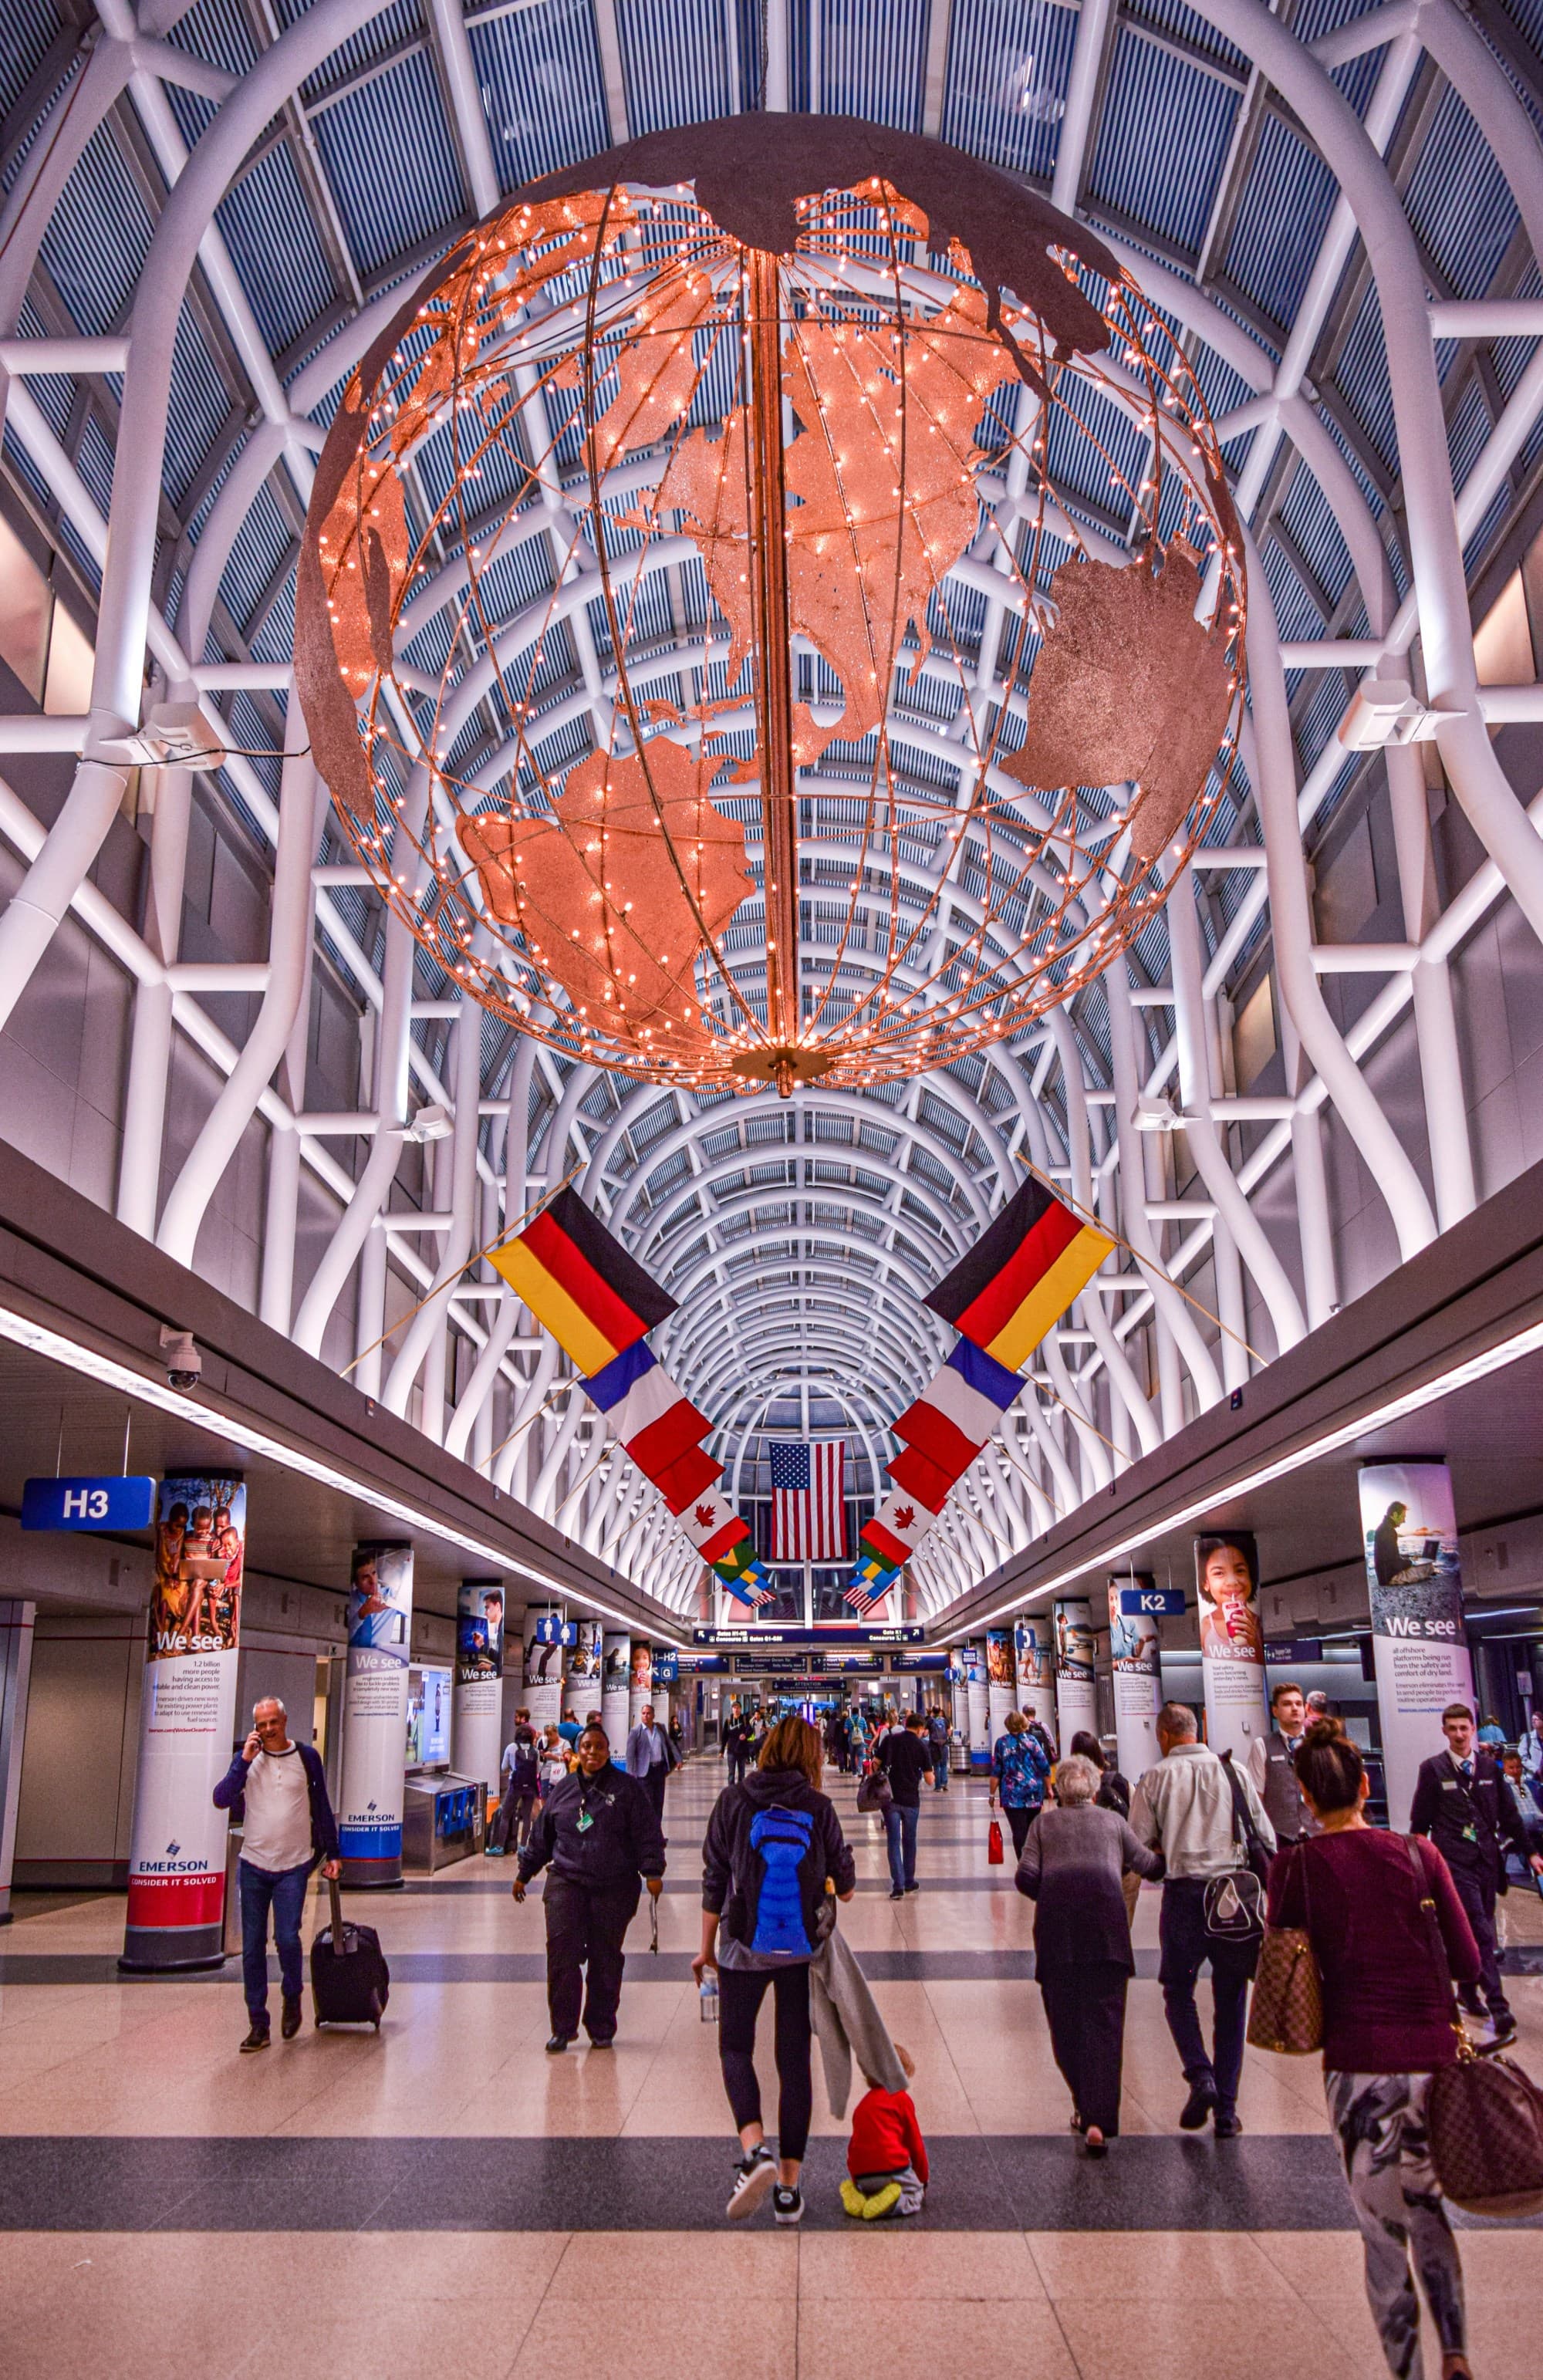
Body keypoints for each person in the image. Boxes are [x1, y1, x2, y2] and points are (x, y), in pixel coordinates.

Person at [1268, 1719, 1480, 2380]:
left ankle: (1409, 2369)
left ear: (1305, 1794)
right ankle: (1456, 2352)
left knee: (1381, 2232)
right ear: (1366, 1784)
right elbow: (1469, 1960)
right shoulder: (1422, 1854)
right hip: (1436, 2059)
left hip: (1359, 2065)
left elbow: (1281, 1961)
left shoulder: (1296, 1866)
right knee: (1429, 2210)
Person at [696, 1713, 856, 2226]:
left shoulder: (733, 1801)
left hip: (743, 1945)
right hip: (801, 1949)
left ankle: (754, 2149)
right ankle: (788, 2188)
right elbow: (847, 1885)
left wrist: (705, 1950)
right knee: (793, 2060)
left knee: (735, 2047)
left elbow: (714, 1880)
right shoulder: (819, 1805)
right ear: (813, 1756)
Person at [1130, 1700, 1276, 2135]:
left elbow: (1137, 1845)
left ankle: (1201, 2074)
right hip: (1233, 1899)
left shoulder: (1155, 1778)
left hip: (1184, 1896)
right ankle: (1227, 2111)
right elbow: (1265, 1836)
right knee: (1231, 2000)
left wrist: (1164, 1852)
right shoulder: (1235, 1773)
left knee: (1178, 1990)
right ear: (1198, 1729)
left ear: (1164, 1736)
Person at [1016, 1752, 1163, 2154]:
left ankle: (1083, 2103)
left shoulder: (1043, 1825)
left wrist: (1052, 1896)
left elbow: (1026, 1877)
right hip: (1107, 1933)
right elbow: (1148, 1864)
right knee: (1105, 2024)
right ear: (1095, 1789)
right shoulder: (1114, 1823)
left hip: (1057, 1935)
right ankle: (1100, 2119)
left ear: (1058, 1790)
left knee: (1064, 2022)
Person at [513, 1723, 663, 2051]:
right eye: (586, 1747)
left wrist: (652, 1871)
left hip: (614, 1886)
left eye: (599, 1747)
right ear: (578, 1752)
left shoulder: (627, 1790)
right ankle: (562, 2028)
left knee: (605, 1957)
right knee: (562, 1955)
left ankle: (601, 2027)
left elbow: (647, 1833)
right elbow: (542, 1836)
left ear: (608, 1752)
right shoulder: (565, 1790)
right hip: (567, 1881)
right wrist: (525, 1873)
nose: (592, 1753)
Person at [1409, 1700, 1541, 2049]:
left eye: (1464, 1728)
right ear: (1444, 1731)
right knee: (1483, 1933)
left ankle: (1467, 1990)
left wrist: (1531, 1853)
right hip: (1453, 1863)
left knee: (1474, 1928)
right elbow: (1420, 1823)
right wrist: (1418, 1862)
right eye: (1452, 1729)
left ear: (1473, 1729)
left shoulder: (1488, 1768)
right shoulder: (1433, 1770)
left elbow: (1510, 1816)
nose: (1458, 1734)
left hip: (1487, 1861)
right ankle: (1499, 2007)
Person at [212, 1696, 341, 2054]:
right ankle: (258, 2022)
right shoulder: (246, 1760)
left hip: (294, 1865)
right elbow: (221, 1798)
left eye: (273, 1722)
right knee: (252, 1946)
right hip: (254, 1864)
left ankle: (292, 1995)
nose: (268, 1729)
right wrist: (244, 1761)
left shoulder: (306, 1757)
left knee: (287, 1937)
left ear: (285, 1720)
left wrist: (334, 1853)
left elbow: (322, 1806)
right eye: (261, 1723)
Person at [840, 2042, 928, 2219]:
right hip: (892, 2170)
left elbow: (854, 2146)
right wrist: (922, 2178)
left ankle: (858, 2194)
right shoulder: (901, 2100)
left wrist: (857, 2177)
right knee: (916, 2193)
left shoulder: (862, 2105)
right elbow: (915, 2144)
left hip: (863, 2177)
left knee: (874, 2189)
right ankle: (895, 2202)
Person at [1248, 1680, 1319, 1847]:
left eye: (1298, 1704)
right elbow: (1256, 1798)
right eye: (1287, 1704)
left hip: (1317, 1834)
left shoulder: (1319, 1743)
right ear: (1275, 1711)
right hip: (1279, 1836)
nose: (1294, 1708)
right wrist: (1265, 1837)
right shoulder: (1262, 1745)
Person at [878, 1711, 930, 1899]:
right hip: (911, 1801)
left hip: (890, 1798)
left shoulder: (890, 1740)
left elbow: (876, 1763)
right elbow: (930, 1779)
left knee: (893, 1841)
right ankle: (909, 1881)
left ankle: (898, 1886)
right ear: (919, 1728)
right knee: (910, 1840)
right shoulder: (922, 1746)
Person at [989, 1710, 1051, 1858]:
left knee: (1018, 1832)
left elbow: (996, 1771)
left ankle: (1023, 1864)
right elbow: (1045, 1766)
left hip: (1012, 1796)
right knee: (1032, 1831)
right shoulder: (1032, 1741)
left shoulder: (1002, 1743)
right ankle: (1034, 1861)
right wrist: (1049, 1788)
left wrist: (992, 1794)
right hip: (1033, 1793)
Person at [491, 1712, 540, 1854]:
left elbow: (503, 1767)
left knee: (506, 1815)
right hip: (530, 1787)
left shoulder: (512, 1748)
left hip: (515, 1785)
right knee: (526, 1818)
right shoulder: (535, 1750)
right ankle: (523, 1847)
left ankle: (500, 1846)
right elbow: (537, 1770)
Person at [626, 1702, 677, 1826]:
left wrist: (678, 1759)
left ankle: (657, 1833)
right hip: (644, 1773)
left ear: (653, 1715)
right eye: (643, 1713)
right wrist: (630, 1775)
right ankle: (648, 1833)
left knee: (658, 1803)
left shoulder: (660, 1729)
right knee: (648, 1803)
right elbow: (630, 1755)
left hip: (658, 1771)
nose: (646, 1716)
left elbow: (669, 1744)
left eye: (648, 1713)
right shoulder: (635, 1732)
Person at [1501, 1750, 1543, 1862]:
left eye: (1518, 1767)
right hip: (1518, 1826)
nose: (1515, 1771)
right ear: (1504, 1768)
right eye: (1511, 1768)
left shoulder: (1534, 1785)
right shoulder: (1501, 1788)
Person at [538, 1722, 569, 1794]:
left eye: (550, 1734)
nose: (549, 1737)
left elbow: (568, 1759)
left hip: (558, 1775)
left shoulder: (564, 1743)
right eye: (547, 1735)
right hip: (545, 1774)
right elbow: (540, 1758)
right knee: (545, 1798)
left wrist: (555, 1758)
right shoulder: (544, 1742)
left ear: (556, 1732)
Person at [723, 1712, 752, 1788]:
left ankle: (741, 1789)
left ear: (740, 1709)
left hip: (742, 1750)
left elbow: (750, 1731)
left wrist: (745, 1735)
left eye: (738, 1708)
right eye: (734, 1708)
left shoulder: (745, 1719)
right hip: (731, 1750)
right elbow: (724, 1736)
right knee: (731, 1772)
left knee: (742, 1773)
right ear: (732, 1709)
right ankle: (731, 1790)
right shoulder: (728, 1720)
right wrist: (722, 1750)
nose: (736, 1710)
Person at [926, 1705, 948, 1791]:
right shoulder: (945, 1721)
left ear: (933, 1711)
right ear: (940, 1711)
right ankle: (944, 1784)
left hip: (934, 1746)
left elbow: (925, 1734)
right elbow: (949, 1733)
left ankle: (938, 1787)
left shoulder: (930, 1721)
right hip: (944, 1746)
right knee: (944, 1765)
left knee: (936, 1766)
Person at [1522, 1706, 1543, 1785]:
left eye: (1536, 1719)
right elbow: (1522, 1757)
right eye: (1532, 1720)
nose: (1534, 1722)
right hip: (1533, 1777)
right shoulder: (1527, 1738)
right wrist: (1536, 1769)